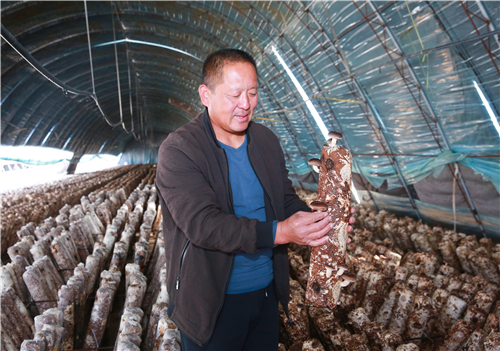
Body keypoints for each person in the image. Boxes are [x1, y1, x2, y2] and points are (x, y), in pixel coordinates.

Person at [156, 48, 355, 351]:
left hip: (264, 296)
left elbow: (284, 200)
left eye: (252, 93)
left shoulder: (265, 140)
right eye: (234, 95)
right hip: (212, 305)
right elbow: (203, 225)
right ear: (205, 94)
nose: (246, 105)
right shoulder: (180, 150)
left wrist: (320, 222)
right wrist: (282, 232)